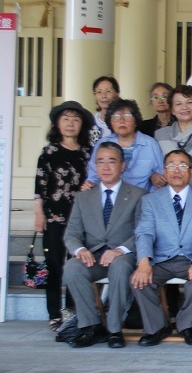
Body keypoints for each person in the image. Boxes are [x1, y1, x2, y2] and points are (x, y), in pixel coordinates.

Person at [62, 142, 147, 348]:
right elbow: (71, 234)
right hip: (93, 256)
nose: (106, 167)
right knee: (72, 267)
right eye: (100, 162)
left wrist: (120, 250)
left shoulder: (138, 195)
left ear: (122, 165)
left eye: (112, 161)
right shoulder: (83, 197)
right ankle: (91, 326)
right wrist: (80, 250)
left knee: (119, 267)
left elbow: (143, 231)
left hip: (124, 254)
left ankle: (114, 328)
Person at [130, 150, 192, 347]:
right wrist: (144, 263)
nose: (177, 170)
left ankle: (188, 326)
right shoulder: (150, 200)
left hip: (190, 257)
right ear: (164, 171)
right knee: (138, 281)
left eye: (183, 166)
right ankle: (157, 327)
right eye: (171, 165)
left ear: (191, 171)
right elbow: (145, 232)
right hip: (161, 259)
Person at [34, 101, 94, 331]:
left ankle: (71, 312)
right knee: (54, 266)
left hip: (80, 220)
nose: (70, 123)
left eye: (76, 119)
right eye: (66, 118)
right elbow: (40, 186)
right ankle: (54, 314)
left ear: (82, 125)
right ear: (57, 123)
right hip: (54, 219)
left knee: (75, 266)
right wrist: (38, 214)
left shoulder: (88, 153)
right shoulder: (48, 152)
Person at [84, 99, 166, 192]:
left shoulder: (150, 144)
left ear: (136, 120)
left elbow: (160, 178)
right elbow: (93, 176)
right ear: (110, 121)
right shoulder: (102, 145)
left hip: (141, 201)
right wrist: (91, 184)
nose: (121, 120)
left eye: (127, 116)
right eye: (116, 116)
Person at [90, 76, 120, 145]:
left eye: (108, 91)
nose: (104, 95)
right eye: (99, 92)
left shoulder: (122, 121)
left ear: (117, 94)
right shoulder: (90, 122)